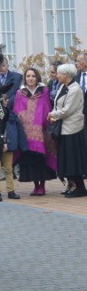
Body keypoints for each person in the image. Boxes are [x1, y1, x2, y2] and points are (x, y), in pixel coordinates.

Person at [14, 67, 57, 196]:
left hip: (41, 132)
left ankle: (42, 186)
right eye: (28, 76)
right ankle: (35, 186)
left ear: (37, 77)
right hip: (26, 133)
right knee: (30, 161)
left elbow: (46, 108)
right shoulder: (19, 93)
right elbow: (17, 110)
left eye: (33, 76)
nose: (31, 78)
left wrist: (41, 122)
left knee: (41, 160)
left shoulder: (44, 91)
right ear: (25, 78)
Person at [48, 64, 87, 198]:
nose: (57, 75)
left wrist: (54, 115)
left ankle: (80, 187)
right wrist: (53, 113)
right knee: (65, 159)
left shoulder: (75, 89)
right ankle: (73, 184)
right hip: (63, 128)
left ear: (67, 75)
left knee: (73, 159)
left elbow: (68, 109)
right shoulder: (63, 87)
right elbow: (57, 104)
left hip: (72, 129)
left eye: (59, 73)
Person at [0, 95, 27, 202]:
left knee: (9, 169)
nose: (5, 102)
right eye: (3, 100)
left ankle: (11, 191)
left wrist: (23, 145)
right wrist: (2, 142)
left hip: (10, 145)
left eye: (6, 100)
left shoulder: (12, 114)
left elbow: (20, 130)